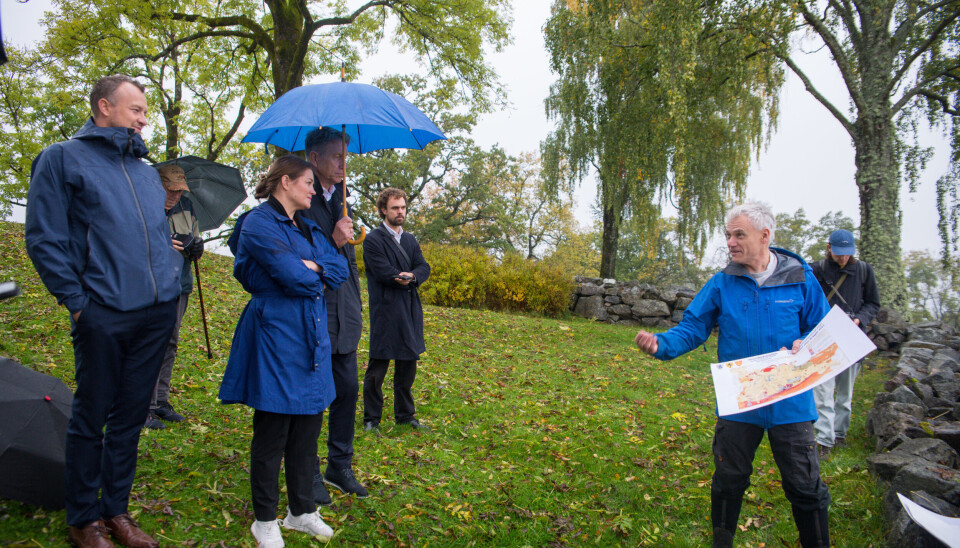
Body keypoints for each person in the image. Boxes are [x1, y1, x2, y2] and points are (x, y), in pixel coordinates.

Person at [25, 75, 182, 548]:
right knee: (91, 416)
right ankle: (83, 518)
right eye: (135, 108)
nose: (144, 117)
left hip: (156, 312)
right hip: (103, 311)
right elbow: (44, 238)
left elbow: (155, 236)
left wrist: (175, 265)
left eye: (145, 110)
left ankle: (116, 511)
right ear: (103, 107)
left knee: (131, 416)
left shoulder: (143, 170)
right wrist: (76, 304)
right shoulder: (62, 158)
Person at [634, 202, 831, 548]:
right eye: (728, 235)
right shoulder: (722, 283)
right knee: (728, 478)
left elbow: (823, 329)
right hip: (741, 398)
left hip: (791, 401)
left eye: (739, 234)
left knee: (804, 485)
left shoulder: (801, 278)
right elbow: (693, 328)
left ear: (764, 235)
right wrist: (660, 345)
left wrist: (808, 342)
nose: (730, 242)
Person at [218, 155, 348, 548]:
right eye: (309, 183)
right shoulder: (257, 223)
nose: (314, 189)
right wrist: (310, 272)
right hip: (276, 332)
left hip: (311, 332)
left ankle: (301, 511)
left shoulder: (308, 226)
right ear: (286, 181)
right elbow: (293, 276)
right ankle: (264, 519)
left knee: (307, 430)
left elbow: (337, 270)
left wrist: (313, 268)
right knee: (273, 431)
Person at [301, 128, 368, 503]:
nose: (344, 162)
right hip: (314, 315)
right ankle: (308, 469)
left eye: (346, 155)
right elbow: (302, 258)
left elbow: (349, 265)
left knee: (347, 390)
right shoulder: (302, 200)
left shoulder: (342, 202)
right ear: (314, 159)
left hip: (345, 315)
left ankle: (339, 465)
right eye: (336, 156)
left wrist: (356, 306)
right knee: (314, 395)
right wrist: (334, 240)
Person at [362, 188, 431, 431]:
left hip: (410, 309)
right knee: (377, 370)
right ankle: (372, 419)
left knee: (407, 367)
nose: (400, 212)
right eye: (395, 208)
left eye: (402, 207)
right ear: (383, 210)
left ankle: (405, 415)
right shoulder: (373, 240)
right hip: (386, 310)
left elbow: (423, 266)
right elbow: (381, 270)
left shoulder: (410, 239)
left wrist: (412, 276)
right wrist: (399, 277)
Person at [144, 164, 204, 430]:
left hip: (179, 285)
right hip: (150, 287)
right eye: (170, 190)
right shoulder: (141, 205)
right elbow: (129, 242)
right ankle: (141, 407)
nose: (175, 196)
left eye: (179, 191)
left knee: (170, 343)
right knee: (147, 344)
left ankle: (159, 402)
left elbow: (195, 238)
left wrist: (196, 247)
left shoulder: (186, 207)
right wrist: (160, 242)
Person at [810, 229, 880, 458]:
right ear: (829, 247)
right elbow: (807, 299)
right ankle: (824, 441)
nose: (843, 258)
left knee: (844, 397)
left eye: (847, 253)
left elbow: (872, 303)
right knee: (822, 393)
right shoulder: (816, 270)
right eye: (839, 253)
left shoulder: (863, 270)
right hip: (824, 338)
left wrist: (860, 319)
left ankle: (839, 434)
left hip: (851, 338)